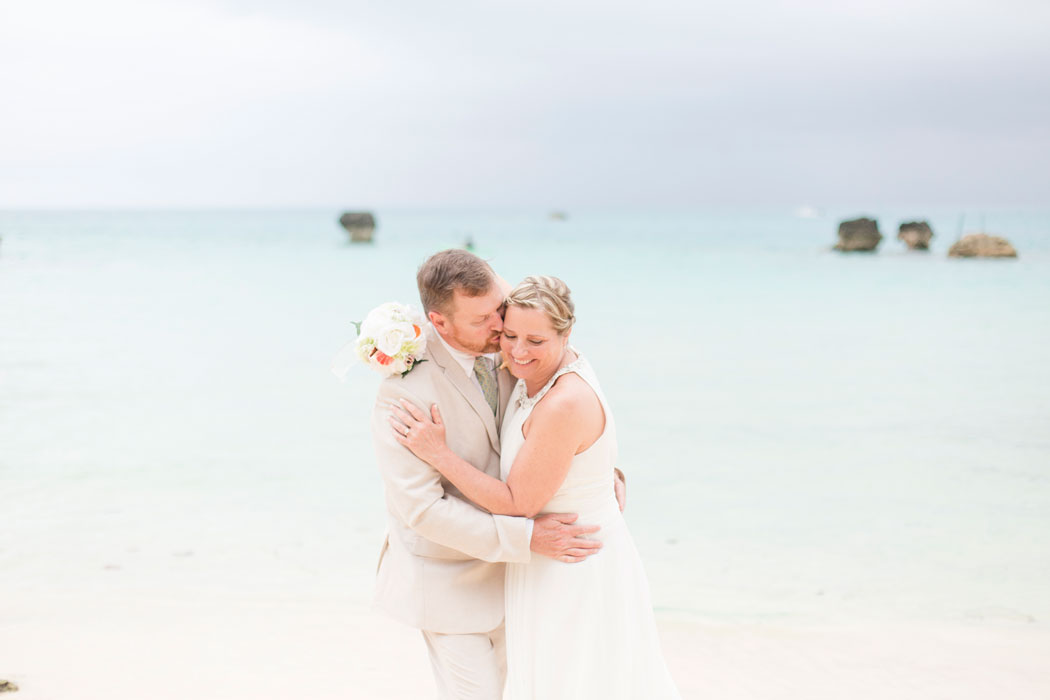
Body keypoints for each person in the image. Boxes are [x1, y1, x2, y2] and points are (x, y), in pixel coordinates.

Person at [391, 275, 681, 699]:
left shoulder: (563, 400)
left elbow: (518, 502)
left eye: (536, 341)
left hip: (572, 560)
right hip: (542, 558)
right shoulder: (530, 370)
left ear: (566, 335)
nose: (519, 351)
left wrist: (440, 455)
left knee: (577, 681)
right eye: (509, 335)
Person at [369, 250, 613, 700]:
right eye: (483, 318)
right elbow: (421, 510)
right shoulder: (404, 391)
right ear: (439, 323)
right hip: (447, 585)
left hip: (519, 583)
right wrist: (526, 537)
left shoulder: (511, 351)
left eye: (498, 307)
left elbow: (551, 420)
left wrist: (595, 472)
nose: (500, 327)